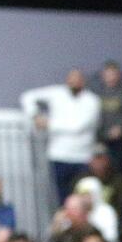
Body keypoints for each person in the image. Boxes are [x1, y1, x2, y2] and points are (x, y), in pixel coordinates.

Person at [21, 69, 102, 203]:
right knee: (61, 199)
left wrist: (48, 124)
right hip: (58, 155)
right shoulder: (57, 93)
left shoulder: (92, 101)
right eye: (71, 78)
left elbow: (78, 127)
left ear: (83, 81)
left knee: (83, 197)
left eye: (77, 78)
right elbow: (27, 96)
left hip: (82, 157)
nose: (74, 82)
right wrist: (35, 115)